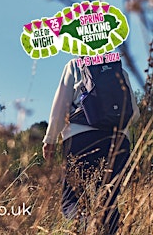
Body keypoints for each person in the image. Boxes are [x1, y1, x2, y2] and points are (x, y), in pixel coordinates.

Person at [42, 58, 140, 234]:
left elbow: (61, 106)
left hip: (80, 139)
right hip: (118, 141)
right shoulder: (118, 67)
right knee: (109, 203)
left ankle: (85, 227)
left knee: (72, 200)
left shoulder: (74, 65)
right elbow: (135, 113)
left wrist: (50, 139)